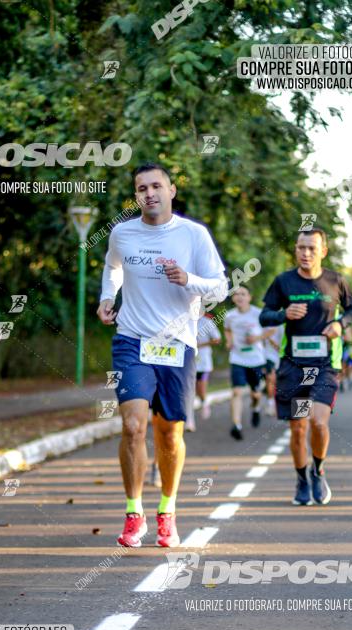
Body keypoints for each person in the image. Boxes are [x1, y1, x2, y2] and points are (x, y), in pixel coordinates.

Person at [97, 163, 227, 548]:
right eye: (141, 188)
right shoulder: (122, 233)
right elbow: (112, 267)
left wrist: (190, 280)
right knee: (134, 426)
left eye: (156, 186)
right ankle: (134, 512)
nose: (149, 193)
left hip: (177, 345)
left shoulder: (193, 235)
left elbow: (220, 287)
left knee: (170, 433)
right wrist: (108, 297)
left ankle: (167, 510)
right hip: (131, 340)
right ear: (135, 195)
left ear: (171, 190)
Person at [261, 227, 352, 506]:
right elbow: (264, 316)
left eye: (312, 248)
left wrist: (341, 324)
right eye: (301, 248)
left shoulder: (335, 281)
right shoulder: (284, 282)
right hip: (294, 367)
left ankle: (318, 470)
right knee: (299, 428)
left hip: (325, 366)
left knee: (318, 422)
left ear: (323, 251)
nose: (305, 253)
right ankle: (302, 478)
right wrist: (283, 314)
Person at [224, 287, 273, 440]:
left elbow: (271, 330)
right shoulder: (229, 316)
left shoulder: (258, 313)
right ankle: (236, 425)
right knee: (237, 392)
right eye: (237, 294)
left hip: (256, 359)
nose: (240, 297)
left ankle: (256, 407)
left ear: (249, 297)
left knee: (255, 393)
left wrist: (257, 338)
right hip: (237, 358)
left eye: (243, 294)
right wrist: (229, 341)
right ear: (233, 299)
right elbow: (227, 330)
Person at [195, 313, 222, 419]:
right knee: (192, 388)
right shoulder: (183, 320)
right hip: (188, 360)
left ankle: (204, 403)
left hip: (203, 361)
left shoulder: (206, 321)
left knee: (201, 388)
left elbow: (217, 339)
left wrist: (200, 345)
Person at [263, 324, 284, 415]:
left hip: (283, 356)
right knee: (271, 378)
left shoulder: (285, 321)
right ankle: (270, 403)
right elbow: (263, 337)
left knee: (280, 382)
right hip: (270, 355)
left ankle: (281, 405)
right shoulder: (266, 320)